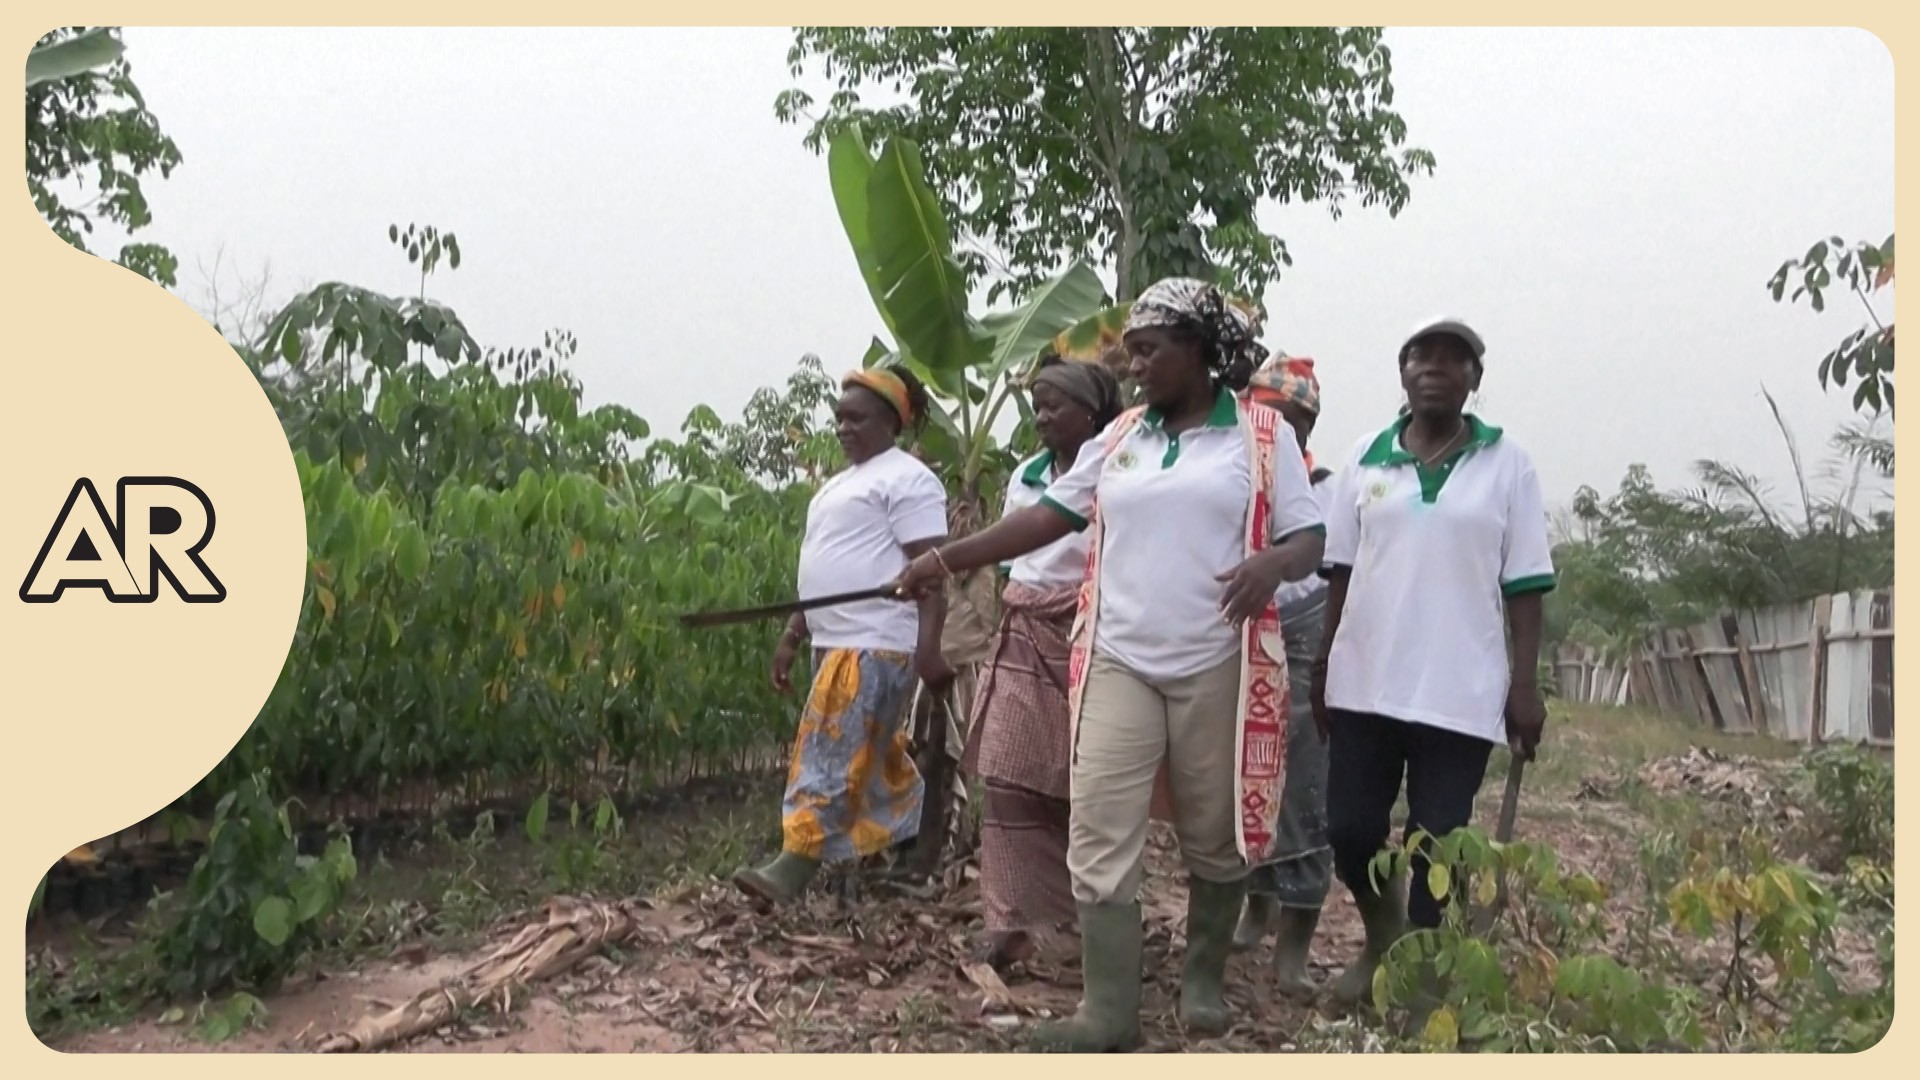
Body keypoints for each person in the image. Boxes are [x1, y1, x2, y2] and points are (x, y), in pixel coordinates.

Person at [897, 278, 1326, 1051]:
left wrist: (1272, 565)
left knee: (1212, 829)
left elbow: (1309, 539)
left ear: (1197, 348)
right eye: (1130, 353)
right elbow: (1047, 516)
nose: (1135, 366)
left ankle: (1202, 977)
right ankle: (1107, 1011)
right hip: (1118, 656)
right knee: (1099, 825)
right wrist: (946, 559)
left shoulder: (1262, 436)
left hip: (1216, 658)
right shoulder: (1122, 434)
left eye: (1149, 350)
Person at [1311, 318, 1554, 1010]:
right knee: (1351, 830)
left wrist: (1525, 684)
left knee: (1438, 841)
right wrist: (1324, 663)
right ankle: (1380, 940)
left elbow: (1526, 583)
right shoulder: (1366, 457)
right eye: (1421, 357)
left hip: (1459, 690)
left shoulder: (1507, 463)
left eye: (1453, 359)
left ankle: (1420, 982)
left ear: (1475, 378)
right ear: (1403, 373)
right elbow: (1340, 569)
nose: (1435, 369)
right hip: (1366, 681)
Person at [732, 364, 954, 906]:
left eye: (857, 419)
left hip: (875, 640)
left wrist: (929, 648)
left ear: (890, 422)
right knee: (870, 758)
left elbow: (933, 572)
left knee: (829, 752)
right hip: (832, 638)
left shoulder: (908, 480)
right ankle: (910, 844)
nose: (843, 428)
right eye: (840, 418)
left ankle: (795, 863)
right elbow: (822, 567)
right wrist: (793, 633)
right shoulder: (836, 485)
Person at [963, 356, 1124, 972]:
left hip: (1092, 633)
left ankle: (1074, 922)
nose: (1043, 417)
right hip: (1026, 629)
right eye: (1038, 406)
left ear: (1093, 413)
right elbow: (1014, 557)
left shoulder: (1116, 469)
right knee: (1007, 776)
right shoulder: (1025, 477)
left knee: (1081, 787)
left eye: (1056, 405)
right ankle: (1009, 921)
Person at [1230, 355, 1336, 999]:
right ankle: (1256, 905)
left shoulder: (1324, 488)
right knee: (1245, 779)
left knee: (1302, 789)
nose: (1268, 426)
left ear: (1306, 426)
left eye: (1285, 418)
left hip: (1305, 634)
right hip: (1243, 634)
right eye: (1259, 413)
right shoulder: (1233, 471)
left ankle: (1294, 946)